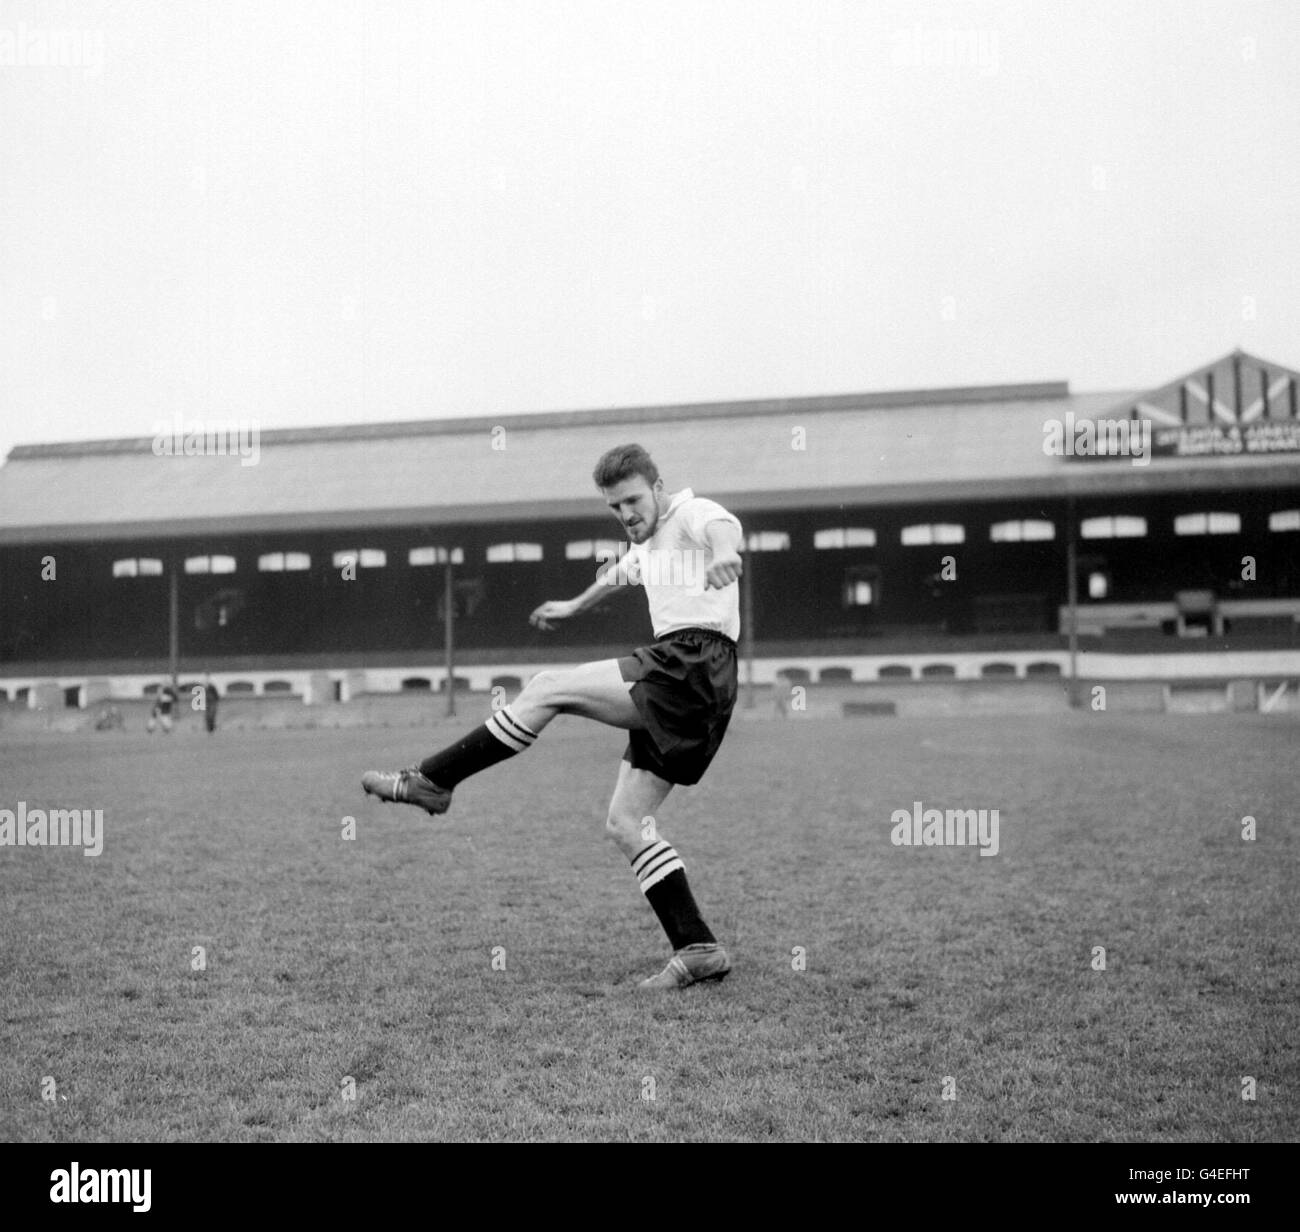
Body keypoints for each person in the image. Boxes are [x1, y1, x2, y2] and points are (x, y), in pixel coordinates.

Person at [363, 443, 743, 991]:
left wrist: (726, 553)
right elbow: (617, 576)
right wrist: (571, 606)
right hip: (691, 681)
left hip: (692, 663)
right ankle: (698, 947)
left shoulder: (689, 513)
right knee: (624, 824)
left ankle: (432, 781)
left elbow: (722, 526)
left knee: (547, 688)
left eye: (633, 500)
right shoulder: (649, 542)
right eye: (614, 508)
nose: (626, 514)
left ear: (658, 489)